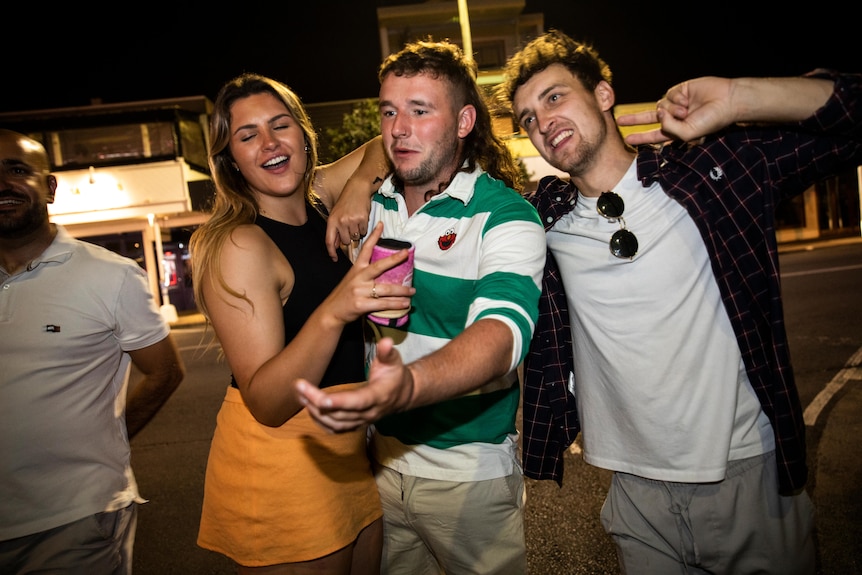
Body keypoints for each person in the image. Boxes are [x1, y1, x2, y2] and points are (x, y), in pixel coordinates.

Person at [494, 29, 862, 574]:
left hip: (745, 479)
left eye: (554, 97)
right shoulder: (540, 219)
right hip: (635, 498)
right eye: (527, 117)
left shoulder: (710, 173)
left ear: (602, 94)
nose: (542, 122)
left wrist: (738, 98)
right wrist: (358, 182)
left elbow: (852, 114)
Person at [297, 40, 546, 575]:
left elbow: (501, 334)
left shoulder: (504, 216)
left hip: (467, 477)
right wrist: (359, 186)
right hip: (379, 469)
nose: (398, 128)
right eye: (389, 110)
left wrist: (408, 387)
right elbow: (280, 187)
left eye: (420, 110)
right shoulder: (374, 201)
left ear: (463, 122)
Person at [189, 73, 414, 575]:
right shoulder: (240, 243)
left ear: (302, 133)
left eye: (279, 125)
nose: (269, 144)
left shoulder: (318, 195)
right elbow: (267, 401)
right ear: (231, 160)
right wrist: (338, 307)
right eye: (247, 136)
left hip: (346, 449)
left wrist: (356, 188)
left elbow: (385, 143)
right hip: (280, 462)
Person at [0, 128, 185, 573]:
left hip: (76, 520)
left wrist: (114, 439)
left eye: (17, 170)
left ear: (49, 188)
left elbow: (164, 373)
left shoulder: (111, 276)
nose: (3, 183)